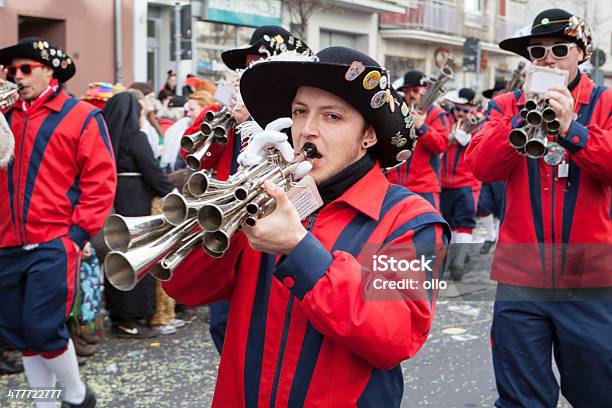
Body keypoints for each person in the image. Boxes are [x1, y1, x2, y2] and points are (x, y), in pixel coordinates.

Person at [163, 46, 450, 406]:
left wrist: (300, 249)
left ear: (369, 136)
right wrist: (233, 199)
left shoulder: (411, 219)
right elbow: (184, 287)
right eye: (300, 112)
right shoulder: (269, 198)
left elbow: (398, 337)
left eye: (332, 117)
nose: (307, 131)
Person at [465, 9, 612, 407]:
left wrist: (571, 131)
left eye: (559, 49)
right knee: (520, 395)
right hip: (520, 273)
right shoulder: (505, 104)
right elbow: (479, 166)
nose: (547, 59)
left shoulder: (606, 102)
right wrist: (521, 117)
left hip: (591, 275)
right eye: (537, 52)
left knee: (598, 390)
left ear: (580, 53)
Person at [0, 37, 117, 408]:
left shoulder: (81, 115)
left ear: (48, 70)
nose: (15, 76)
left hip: (53, 240)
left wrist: (78, 234)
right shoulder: (4, 116)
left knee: (43, 327)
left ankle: (78, 396)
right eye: (10, 70)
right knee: (20, 333)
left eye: (24, 68)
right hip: (5, 242)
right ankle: (45, 402)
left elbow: (101, 181)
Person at [194, 25, 314, 354]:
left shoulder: (293, 112)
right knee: (221, 321)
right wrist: (231, 118)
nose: (249, 69)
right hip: (227, 219)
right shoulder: (224, 111)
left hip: (272, 217)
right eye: (247, 63)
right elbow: (193, 157)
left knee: (269, 318)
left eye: (258, 62)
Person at [102, 92, 174, 338]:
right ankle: (134, 315)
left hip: (114, 198)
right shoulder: (135, 136)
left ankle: (120, 316)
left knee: (118, 254)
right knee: (138, 254)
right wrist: (171, 192)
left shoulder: (105, 136)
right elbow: (151, 170)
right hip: (136, 200)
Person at [387, 70, 449, 208]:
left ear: (425, 91)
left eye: (415, 90)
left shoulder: (436, 113)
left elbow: (441, 145)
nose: (411, 95)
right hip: (395, 185)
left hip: (425, 186)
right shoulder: (396, 110)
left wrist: (422, 127)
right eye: (407, 91)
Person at [439, 87, 480, 280]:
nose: (461, 114)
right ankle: (446, 259)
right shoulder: (444, 120)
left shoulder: (479, 122)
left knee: (464, 223)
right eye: (458, 109)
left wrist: (471, 138)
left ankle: (458, 264)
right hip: (441, 183)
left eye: (465, 110)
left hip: (466, 182)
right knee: (444, 224)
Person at [477, 80, 508, 255]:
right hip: (487, 166)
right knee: (483, 205)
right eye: (495, 94)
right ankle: (490, 236)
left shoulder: (513, 111)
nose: (497, 96)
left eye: (500, 93)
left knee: (500, 206)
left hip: (503, 168)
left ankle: (496, 237)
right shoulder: (487, 113)